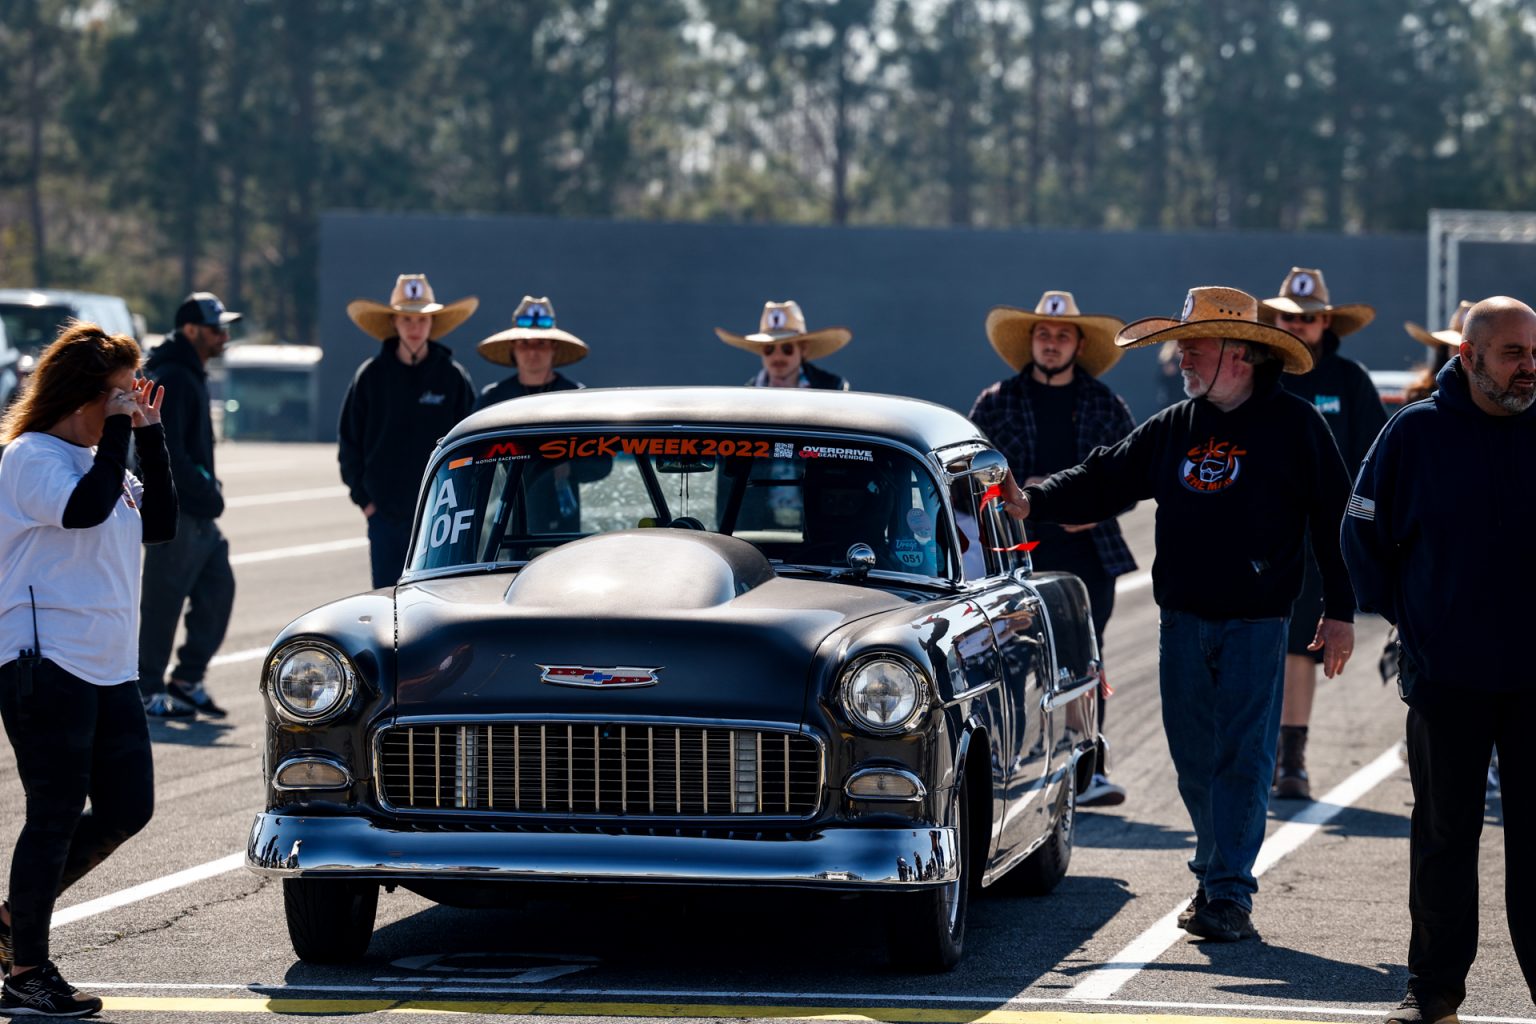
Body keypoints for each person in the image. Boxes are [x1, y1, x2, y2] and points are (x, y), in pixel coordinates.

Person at [1001, 286, 1355, 943]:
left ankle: (1227, 892)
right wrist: (1034, 499)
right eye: (1182, 347)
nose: (1182, 358)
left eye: (1195, 347)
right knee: (1195, 760)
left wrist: (1340, 611)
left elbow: (1334, 520)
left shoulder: (1297, 426)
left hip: (1257, 622)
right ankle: (1217, 873)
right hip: (1182, 620)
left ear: (1241, 353)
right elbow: (1106, 474)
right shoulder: (1176, 426)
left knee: (1244, 758)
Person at [1343, 296, 1536, 1024]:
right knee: (1446, 837)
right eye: (1514, 352)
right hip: (1449, 676)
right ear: (1470, 357)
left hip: (1535, 681)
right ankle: (1433, 994)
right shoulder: (1415, 434)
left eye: (1534, 352)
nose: (1529, 367)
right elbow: (1362, 525)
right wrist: (1409, 618)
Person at [0, 322, 175, 1016]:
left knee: (130, 806)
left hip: (107, 668)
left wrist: (151, 435)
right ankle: (27, 972)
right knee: (54, 813)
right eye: (120, 391)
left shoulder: (110, 462)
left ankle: (15, 921)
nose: (132, 399)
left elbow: (157, 523)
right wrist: (121, 436)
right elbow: (82, 512)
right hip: (44, 664)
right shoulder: (30, 457)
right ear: (82, 395)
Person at [970, 290, 1137, 807]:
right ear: (1030, 341)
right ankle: (1011, 770)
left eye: (1063, 335)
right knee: (1013, 660)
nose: (1052, 343)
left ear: (1079, 343)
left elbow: (1130, 477)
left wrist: (1097, 508)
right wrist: (1016, 491)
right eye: (1044, 334)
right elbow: (967, 477)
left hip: (1090, 551)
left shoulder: (1106, 404)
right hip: (1014, 553)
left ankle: (1089, 770)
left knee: (1087, 658)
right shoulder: (995, 402)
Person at [1259, 267, 1385, 800]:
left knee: (1298, 647)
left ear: (1325, 320)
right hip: (1262, 533)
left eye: (1307, 317)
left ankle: (1291, 759)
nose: (1298, 324)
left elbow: (1376, 456)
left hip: (1323, 538)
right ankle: (1255, 753)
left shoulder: (1348, 379)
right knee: (1252, 641)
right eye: (1288, 316)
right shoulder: (1261, 373)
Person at [137, 291, 241, 719]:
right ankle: (145, 690)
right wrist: (207, 490)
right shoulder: (174, 377)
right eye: (217, 329)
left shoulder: (190, 371)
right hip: (177, 512)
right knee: (163, 603)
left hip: (198, 513)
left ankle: (186, 681)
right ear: (191, 330)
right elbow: (171, 454)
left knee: (218, 588)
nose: (224, 335)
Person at [339, 273, 478, 589]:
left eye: (422, 320)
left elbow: (471, 444)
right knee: (389, 603)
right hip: (385, 517)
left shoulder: (453, 378)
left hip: (444, 517)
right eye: (406, 319)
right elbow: (349, 445)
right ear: (394, 323)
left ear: (432, 323)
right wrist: (367, 503)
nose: (415, 328)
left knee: (440, 599)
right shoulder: (370, 377)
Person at [475, 296, 589, 410]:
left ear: (554, 347)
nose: (532, 351)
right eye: (524, 343)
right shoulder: (491, 399)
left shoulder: (576, 397)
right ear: (513, 346)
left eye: (541, 343)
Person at [715, 300, 852, 390]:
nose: (777, 356)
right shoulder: (746, 394)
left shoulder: (833, 389)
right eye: (769, 349)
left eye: (787, 348)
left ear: (802, 349)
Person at [1405, 300, 1470, 375]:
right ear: (1446, 349)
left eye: (1468, 349)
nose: (1462, 352)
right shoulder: (1428, 386)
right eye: (1456, 346)